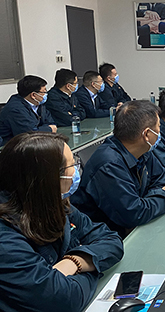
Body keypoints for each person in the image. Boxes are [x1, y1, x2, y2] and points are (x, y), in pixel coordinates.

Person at [0, 132, 123, 312]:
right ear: (46, 180)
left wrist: (75, 262)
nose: (75, 172)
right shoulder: (5, 241)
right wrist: (94, 267)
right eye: (71, 165)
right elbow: (64, 300)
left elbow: (111, 239)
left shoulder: (55, 204)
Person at [70, 100, 165, 237]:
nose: (160, 132)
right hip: (107, 238)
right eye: (158, 128)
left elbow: (163, 180)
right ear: (146, 134)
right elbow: (133, 214)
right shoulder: (109, 164)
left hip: (135, 229)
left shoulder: (143, 151)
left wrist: (144, 203)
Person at [0, 75, 57, 145]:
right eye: (43, 92)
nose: (46, 95)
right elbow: (29, 134)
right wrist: (49, 129)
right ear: (33, 95)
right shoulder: (15, 109)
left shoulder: (38, 103)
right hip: (12, 147)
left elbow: (51, 122)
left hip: (37, 143)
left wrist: (41, 129)